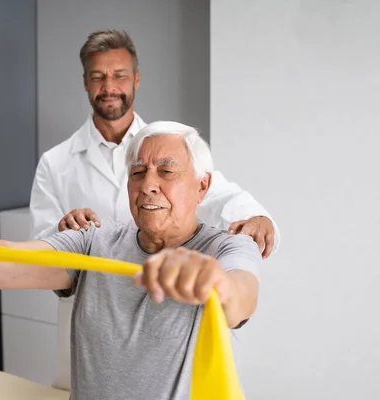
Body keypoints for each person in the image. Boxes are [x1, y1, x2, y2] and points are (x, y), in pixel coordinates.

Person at [0, 121, 261, 400]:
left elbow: (240, 296)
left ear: (202, 186)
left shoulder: (225, 249)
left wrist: (213, 282)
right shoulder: (94, 240)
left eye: (166, 172)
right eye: (138, 172)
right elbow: (4, 262)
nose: (148, 185)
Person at [28, 29, 278, 389]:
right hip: (94, 326)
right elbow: (39, 253)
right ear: (85, 83)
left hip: (166, 325)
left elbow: (218, 192)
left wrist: (258, 218)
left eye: (119, 75)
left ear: (136, 79)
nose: (109, 85)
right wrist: (61, 231)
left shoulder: (167, 144)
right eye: (98, 76)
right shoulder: (55, 162)